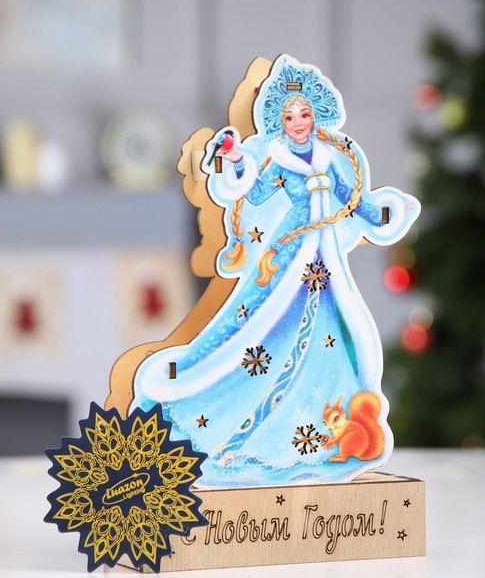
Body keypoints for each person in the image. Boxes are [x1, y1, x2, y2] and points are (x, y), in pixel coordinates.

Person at [130, 55, 420, 488]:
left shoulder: (331, 155)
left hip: (325, 252)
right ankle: (230, 423)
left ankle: (320, 427)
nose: (298, 123)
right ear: (279, 122)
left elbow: (350, 196)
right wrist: (235, 158)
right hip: (293, 249)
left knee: (333, 324)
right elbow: (256, 191)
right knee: (265, 319)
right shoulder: (281, 160)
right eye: (289, 116)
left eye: (304, 114)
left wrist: (377, 215)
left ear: (316, 116)